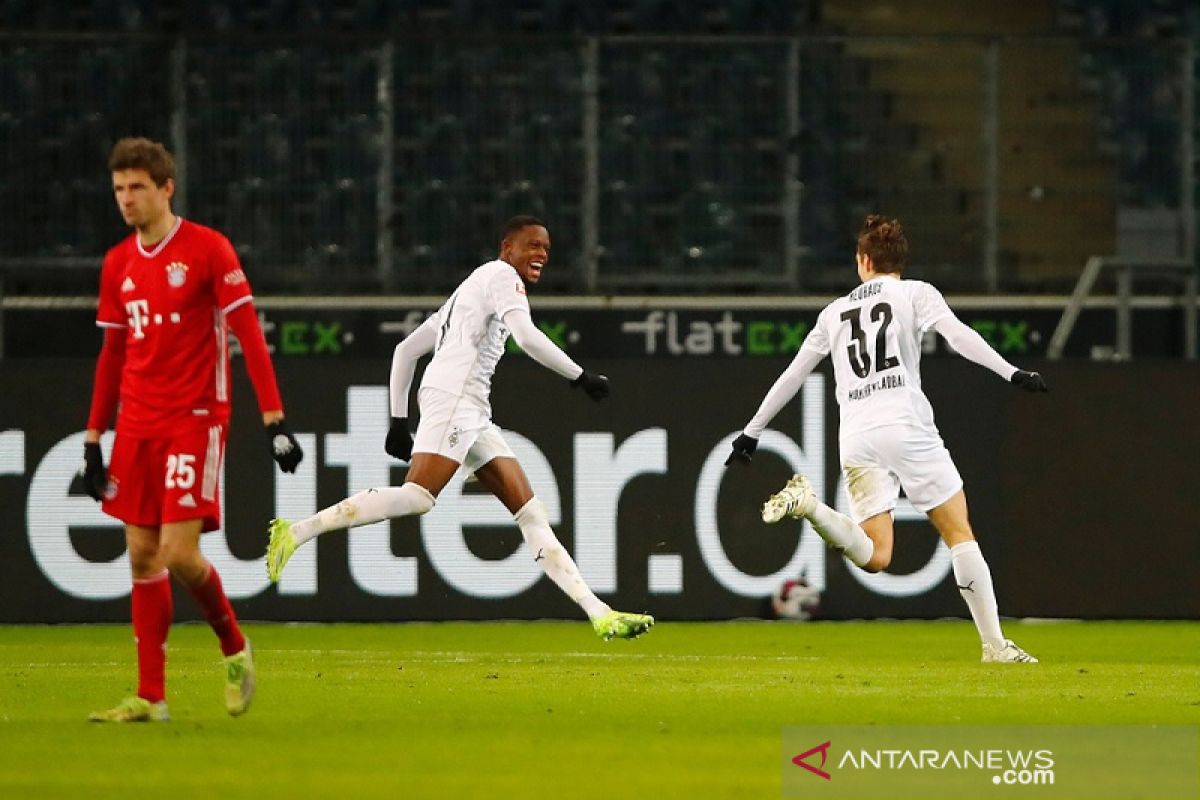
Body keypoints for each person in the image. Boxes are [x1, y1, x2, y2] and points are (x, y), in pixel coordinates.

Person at [265, 216, 653, 641]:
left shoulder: (467, 293)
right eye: (532, 245)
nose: (541, 253)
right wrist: (580, 377)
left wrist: (398, 419)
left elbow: (406, 349)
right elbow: (526, 337)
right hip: (454, 400)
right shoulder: (502, 276)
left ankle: (599, 613)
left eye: (546, 247)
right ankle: (297, 532)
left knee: (530, 514)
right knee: (418, 498)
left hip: (468, 407)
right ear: (507, 248)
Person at [726, 215, 1046, 663]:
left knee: (876, 556)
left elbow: (795, 373)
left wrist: (752, 431)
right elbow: (958, 336)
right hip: (905, 424)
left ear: (863, 261)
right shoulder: (916, 292)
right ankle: (994, 645)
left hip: (856, 436)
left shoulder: (833, 312)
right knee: (959, 533)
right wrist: (1011, 371)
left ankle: (812, 507)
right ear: (899, 260)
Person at [82, 137, 304, 722]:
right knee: (139, 554)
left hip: (195, 417)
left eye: (136, 188)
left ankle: (233, 645)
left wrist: (274, 418)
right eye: (119, 189)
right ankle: (151, 697)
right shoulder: (118, 263)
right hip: (136, 421)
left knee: (179, 553)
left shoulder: (207, 249)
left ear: (165, 188)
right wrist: (92, 437)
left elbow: (249, 334)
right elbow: (111, 353)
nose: (126, 199)